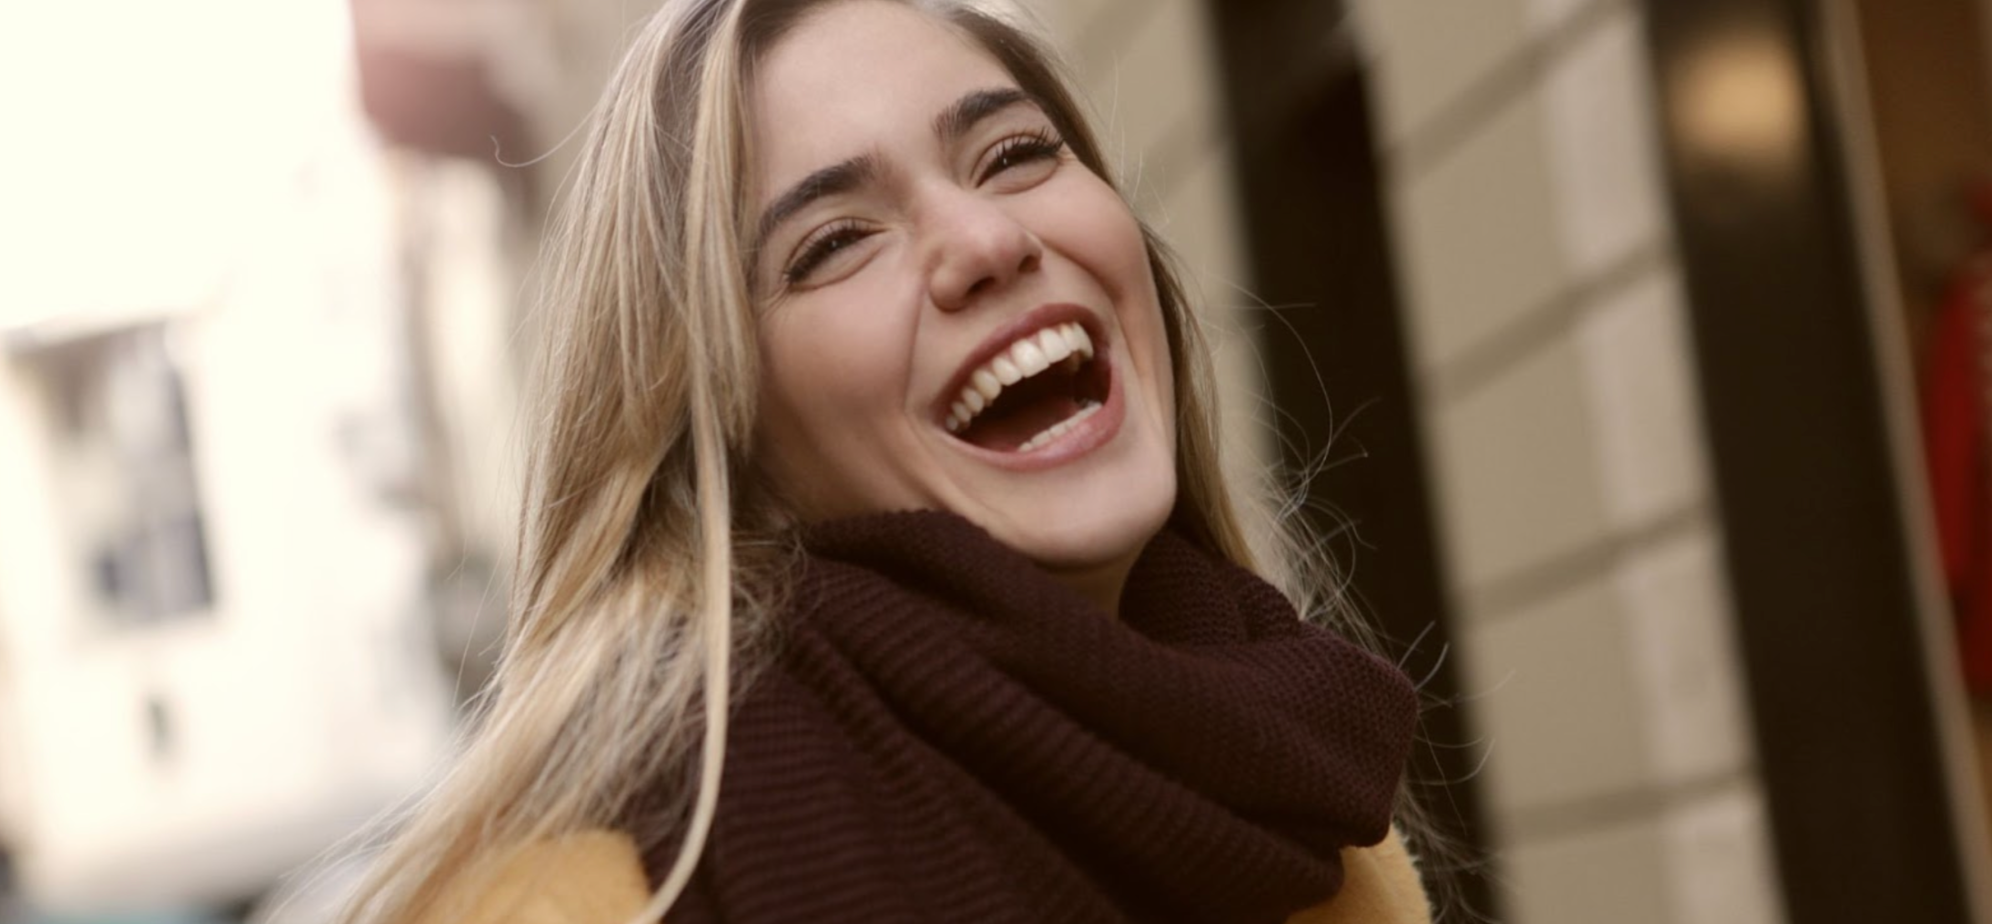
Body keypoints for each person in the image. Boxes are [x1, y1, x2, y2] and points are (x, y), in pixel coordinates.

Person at [337, 0, 1438, 921]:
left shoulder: (1320, 819)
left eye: (1013, 154)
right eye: (834, 242)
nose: (987, 242)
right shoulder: (580, 904)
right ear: (724, 439)